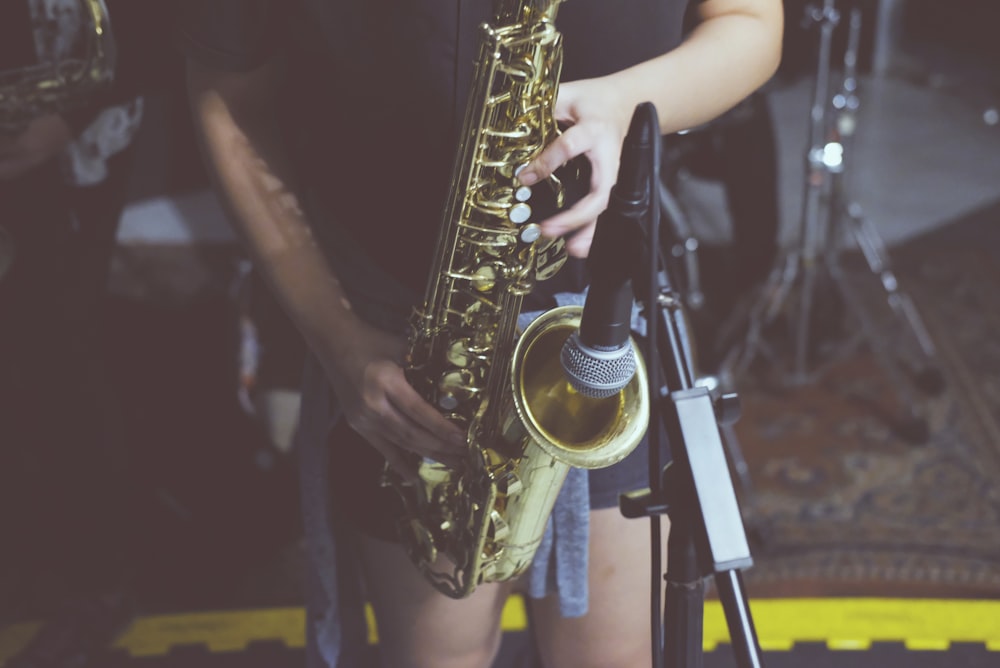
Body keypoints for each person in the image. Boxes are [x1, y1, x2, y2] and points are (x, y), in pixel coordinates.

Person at [178, 1, 783, 667]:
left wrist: (621, 103)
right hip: (408, 348)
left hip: (603, 321)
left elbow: (752, 24)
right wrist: (338, 339)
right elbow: (227, 94)